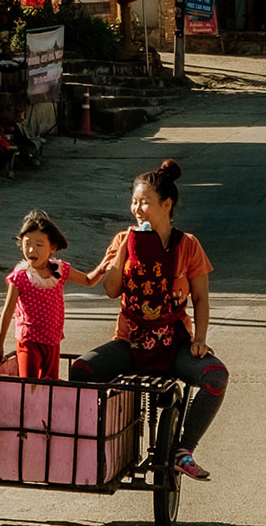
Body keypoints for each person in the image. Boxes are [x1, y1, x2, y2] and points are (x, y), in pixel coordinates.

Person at [75, 159, 228, 482]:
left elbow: (200, 298)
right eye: (134, 201)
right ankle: (97, 445)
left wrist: (199, 338)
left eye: (144, 202)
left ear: (166, 204)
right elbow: (111, 290)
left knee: (216, 377)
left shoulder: (188, 245)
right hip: (129, 343)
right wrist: (123, 251)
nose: (137, 209)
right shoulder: (122, 240)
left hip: (175, 346)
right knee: (81, 371)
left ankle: (183, 449)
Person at [0, 210, 90, 380]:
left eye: (39, 245)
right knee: (29, 387)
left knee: (50, 388)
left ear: (52, 247)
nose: (31, 249)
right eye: (27, 243)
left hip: (52, 341)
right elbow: (7, 312)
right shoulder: (20, 277)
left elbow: (88, 280)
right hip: (28, 341)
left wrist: (107, 265)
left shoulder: (60, 269)